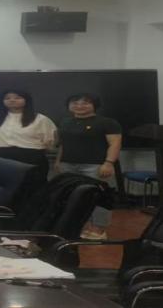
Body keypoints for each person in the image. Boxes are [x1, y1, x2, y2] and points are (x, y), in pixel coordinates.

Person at [54, 93, 121, 240]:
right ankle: (80, 226)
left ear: (94, 105)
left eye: (85, 103)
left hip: (96, 165)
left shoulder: (107, 122)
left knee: (99, 197)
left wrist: (109, 163)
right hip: (68, 165)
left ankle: (99, 229)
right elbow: (63, 145)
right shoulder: (65, 122)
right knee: (71, 197)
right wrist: (58, 161)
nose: (79, 105)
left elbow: (115, 144)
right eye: (75, 102)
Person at [0, 89, 57, 182]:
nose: (12, 100)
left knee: (32, 186)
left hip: (31, 158)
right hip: (1, 158)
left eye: (17, 98)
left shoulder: (40, 119)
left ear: (26, 100)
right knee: (3, 186)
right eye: (7, 98)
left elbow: (50, 141)